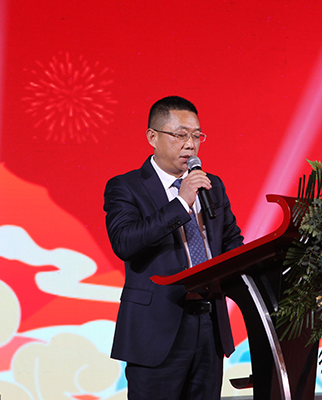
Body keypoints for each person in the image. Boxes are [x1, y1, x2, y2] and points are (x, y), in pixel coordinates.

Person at [103, 96, 244, 400]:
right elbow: (125, 241)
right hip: (156, 329)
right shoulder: (126, 186)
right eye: (180, 135)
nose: (190, 145)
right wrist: (181, 203)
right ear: (152, 137)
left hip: (209, 324)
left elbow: (231, 243)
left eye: (197, 136)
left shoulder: (212, 185)